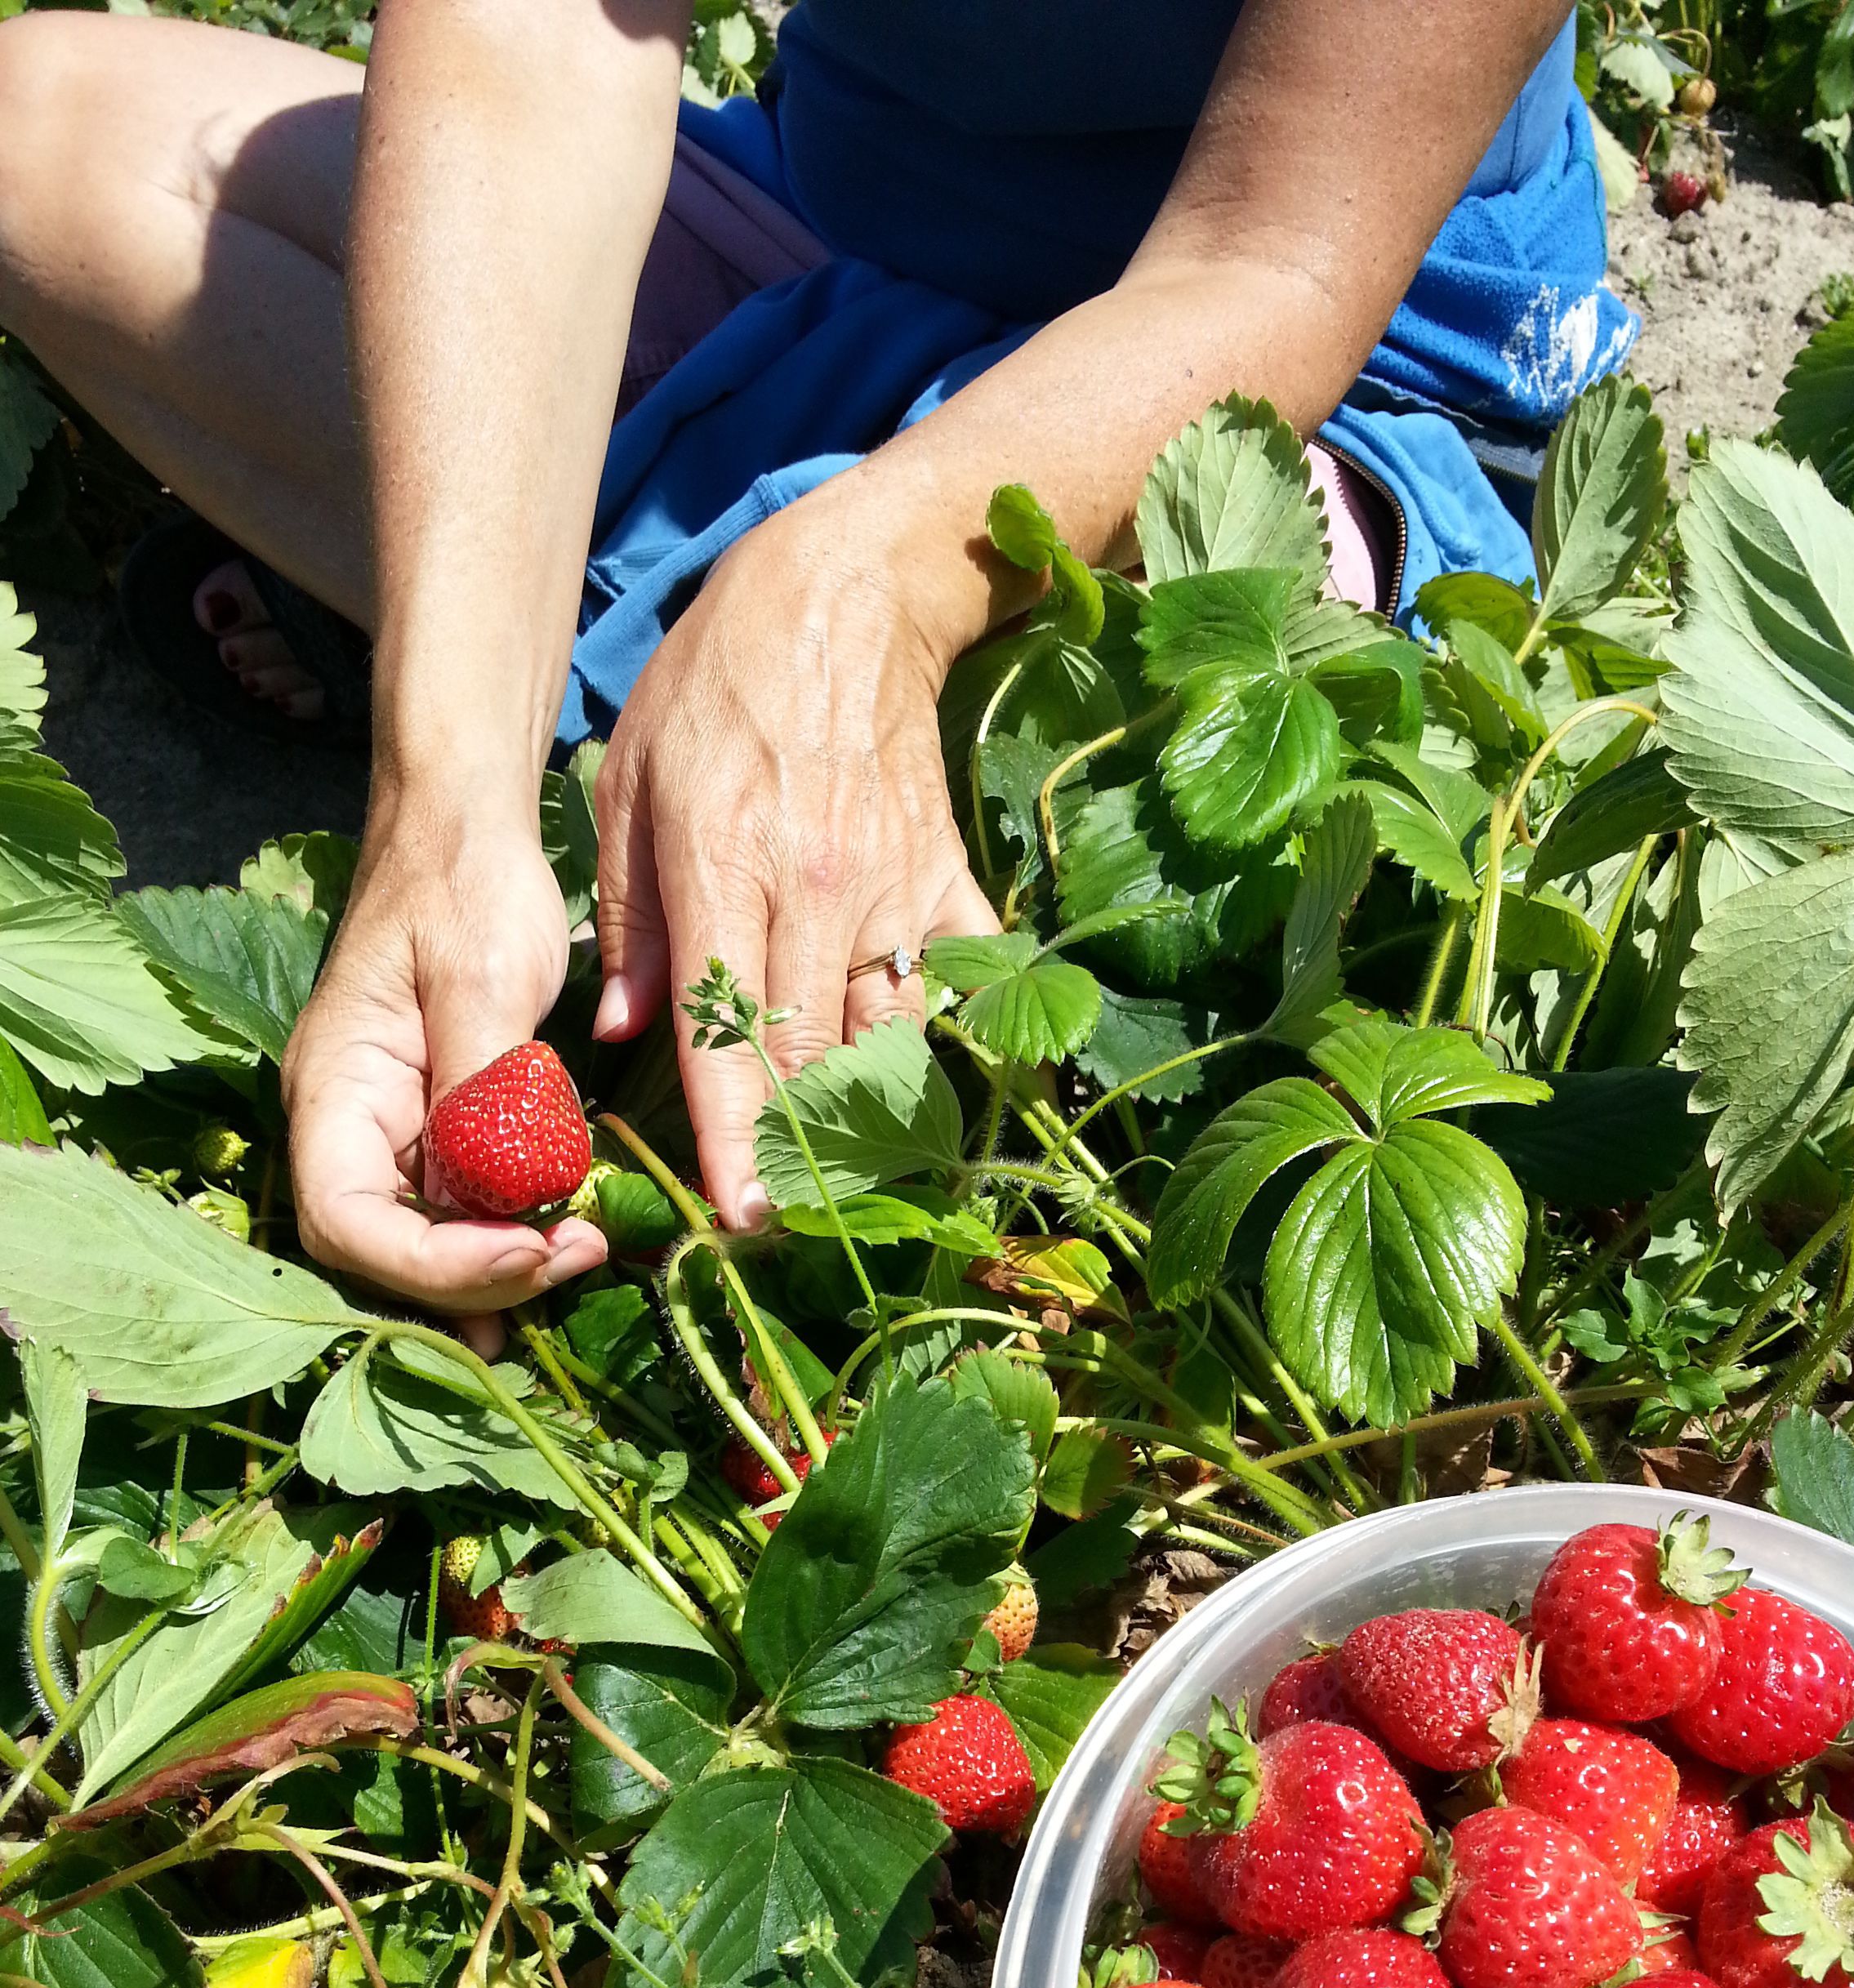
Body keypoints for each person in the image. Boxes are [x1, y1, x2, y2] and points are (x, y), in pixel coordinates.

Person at [0, 0, 1633, 1331]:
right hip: (835, 256)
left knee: (1173, 726)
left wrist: (867, 586)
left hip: (1301, 392)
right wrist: (446, 791)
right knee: (48, 134)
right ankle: (631, 678)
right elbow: (539, 38)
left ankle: (640, 634)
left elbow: (1272, 262)